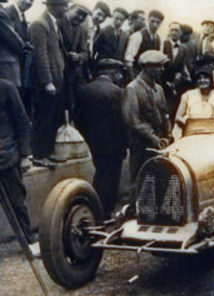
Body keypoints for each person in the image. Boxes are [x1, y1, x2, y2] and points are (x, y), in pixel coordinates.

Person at [75, 59, 127, 218]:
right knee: (111, 179)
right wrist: (124, 144)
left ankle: (95, 208)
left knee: (100, 173)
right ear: (111, 73)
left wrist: (89, 136)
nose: (119, 76)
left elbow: (78, 119)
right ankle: (104, 212)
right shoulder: (117, 92)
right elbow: (121, 121)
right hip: (114, 144)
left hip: (94, 143)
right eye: (117, 72)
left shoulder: (85, 91)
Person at [122, 50, 172, 183]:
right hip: (141, 146)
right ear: (148, 68)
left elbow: (165, 114)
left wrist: (167, 135)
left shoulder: (159, 89)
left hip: (159, 145)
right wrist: (152, 137)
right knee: (140, 182)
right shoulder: (132, 89)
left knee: (160, 181)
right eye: (159, 66)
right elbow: (132, 120)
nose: (162, 69)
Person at [0, 78, 38, 254]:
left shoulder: (6, 89)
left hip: (6, 158)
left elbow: (22, 122)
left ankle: (29, 241)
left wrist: (25, 155)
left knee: (17, 203)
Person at [29, 0, 68, 168]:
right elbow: (41, 56)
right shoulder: (39, 24)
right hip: (45, 83)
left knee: (52, 117)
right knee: (43, 117)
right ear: (53, 6)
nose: (66, 9)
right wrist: (47, 82)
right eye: (63, 5)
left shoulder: (53, 23)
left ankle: (47, 152)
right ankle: (38, 154)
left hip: (56, 80)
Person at [58, 4, 90, 119]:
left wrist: (78, 56)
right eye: (78, 13)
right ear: (70, 9)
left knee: (70, 107)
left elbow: (85, 53)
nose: (80, 18)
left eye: (83, 16)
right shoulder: (58, 22)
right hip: (57, 73)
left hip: (71, 75)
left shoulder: (81, 30)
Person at [173, 66, 214, 138]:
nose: (202, 80)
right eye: (199, 78)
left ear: (211, 80)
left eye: (205, 78)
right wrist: (190, 124)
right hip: (191, 133)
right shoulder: (188, 95)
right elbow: (177, 117)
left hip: (210, 134)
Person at [4, 0, 34, 117]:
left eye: (32, 0)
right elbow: (12, 38)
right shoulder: (6, 12)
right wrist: (25, 46)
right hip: (8, 66)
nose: (28, 2)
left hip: (20, 66)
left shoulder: (23, 17)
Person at [162, 21, 190, 117]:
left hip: (174, 84)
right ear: (169, 31)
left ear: (181, 33)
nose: (174, 32)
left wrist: (178, 77)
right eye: (172, 30)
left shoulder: (184, 48)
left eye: (176, 30)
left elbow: (181, 66)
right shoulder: (163, 44)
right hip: (161, 82)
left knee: (171, 109)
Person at [124, 10, 165, 75]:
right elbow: (128, 60)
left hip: (150, 76)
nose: (155, 25)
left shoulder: (160, 40)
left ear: (161, 23)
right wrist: (132, 78)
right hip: (136, 74)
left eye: (158, 22)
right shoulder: (138, 36)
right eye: (152, 21)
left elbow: (159, 60)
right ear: (148, 20)